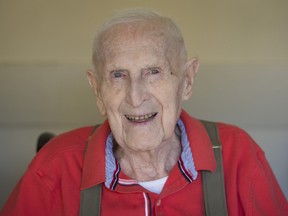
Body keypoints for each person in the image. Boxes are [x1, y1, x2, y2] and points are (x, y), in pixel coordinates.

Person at [1, 9, 287, 216]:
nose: (136, 97)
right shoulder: (53, 168)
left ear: (187, 81)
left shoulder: (237, 154)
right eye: (117, 75)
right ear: (97, 90)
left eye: (153, 72)